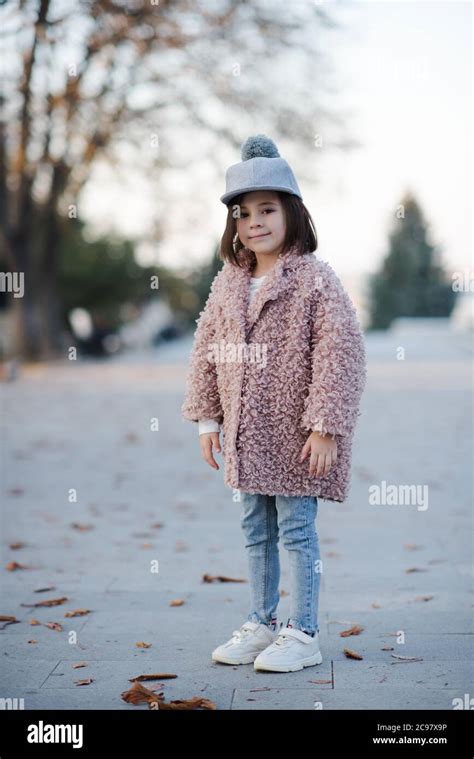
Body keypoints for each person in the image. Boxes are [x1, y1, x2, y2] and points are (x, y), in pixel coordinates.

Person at [181, 135, 367, 673]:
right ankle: (261, 621)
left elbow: (340, 353)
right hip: (244, 433)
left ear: (293, 214)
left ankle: (303, 632)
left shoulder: (314, 280)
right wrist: (208, 418)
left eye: (268, 209)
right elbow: (207, 351)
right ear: (232, 224)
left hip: (295, 436)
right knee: (254, 529)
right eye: (243, 213)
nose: (255, 222)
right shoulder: (228, 284)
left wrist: (326, 425)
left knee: (296, 530)